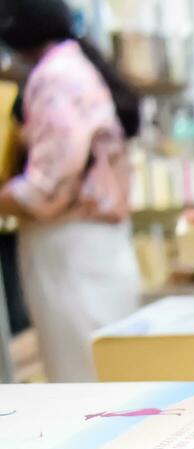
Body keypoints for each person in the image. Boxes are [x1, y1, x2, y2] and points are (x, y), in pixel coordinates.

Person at [0, 0, 141, 382]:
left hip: (72, 247)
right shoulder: (75, 66)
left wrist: (8, 196)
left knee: (83, 379)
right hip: (91, 247)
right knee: (104, 375)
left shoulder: (54, 78)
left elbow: (49, 186)